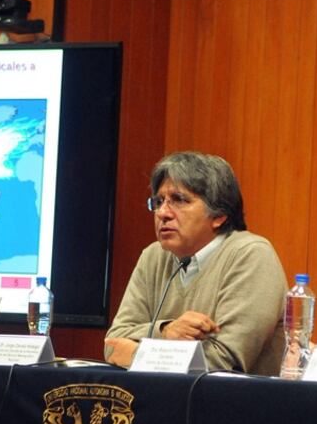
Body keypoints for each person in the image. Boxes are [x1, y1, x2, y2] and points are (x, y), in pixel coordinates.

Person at [104, 151, 287, 375]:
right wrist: (166, 332)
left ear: (219, 215)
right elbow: (113, 344)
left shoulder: (251, 255)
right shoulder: (154, 256)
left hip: (236, 405)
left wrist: (135, 353)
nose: (163, 213)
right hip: (165, 400)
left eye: (179, 200)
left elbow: (224, 360)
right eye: (159, 201)